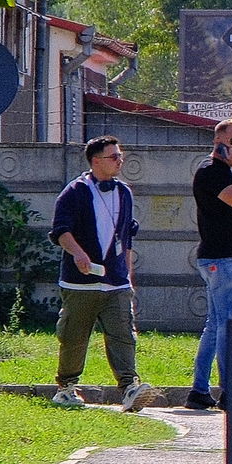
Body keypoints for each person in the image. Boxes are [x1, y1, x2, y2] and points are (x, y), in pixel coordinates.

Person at [50, 136, 157, 412]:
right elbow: (61, 231)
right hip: (80, 282)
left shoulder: (124, 192)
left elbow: (127, 238)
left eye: (120, 155)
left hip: (116, 282)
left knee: (123, 334)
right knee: (74, 336)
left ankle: (130, 387)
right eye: (114, 157)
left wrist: (128, 278)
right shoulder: (75, 191)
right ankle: (66, 388)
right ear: (96, 161)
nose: (120, 161)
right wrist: (78, 253)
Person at [187, 119, 232, 411]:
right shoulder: (211, 171)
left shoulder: (221, 172)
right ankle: (231, 390)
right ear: (219, 142)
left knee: (216, 326)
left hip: (226, 258)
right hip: (222, 260)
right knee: (229, 326)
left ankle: (200, 390)